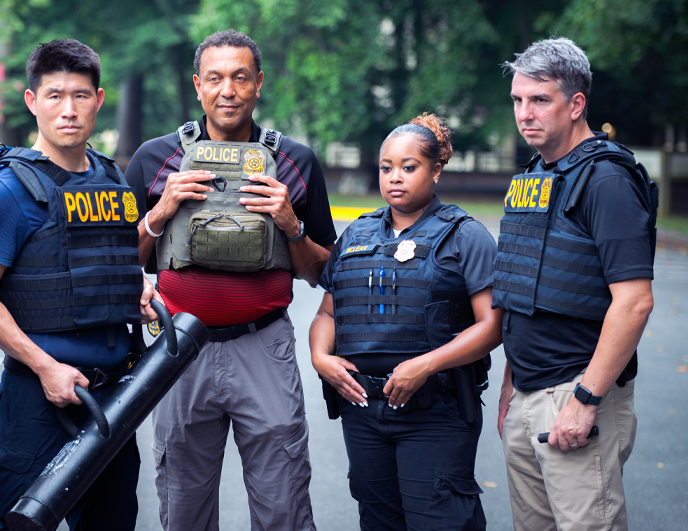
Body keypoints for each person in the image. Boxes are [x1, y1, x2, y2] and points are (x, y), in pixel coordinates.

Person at [125, 29, 336, 531]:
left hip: (262, 343)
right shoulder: (155, 159)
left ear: (258, 84)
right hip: (179, 349)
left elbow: (321, 271)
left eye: (240, 77)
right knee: (183, 504)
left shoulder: (294, 161)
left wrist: (291, 224)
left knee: (282, 501)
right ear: (198, 85)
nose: (228, 90)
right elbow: (119, 263)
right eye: (215, 78)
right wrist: (161, 211)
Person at [0, 39, 160, 531]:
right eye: (54, 96)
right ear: (32, 102)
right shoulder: (10, 189)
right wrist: (45, 367)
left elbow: (106, 266)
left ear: (99, 99)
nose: (68, 110)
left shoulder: (113, 181)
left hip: (111, 399)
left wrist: (133, 290)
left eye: (80, 95)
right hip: (37, 401)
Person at [309, 114, 501, 530]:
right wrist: (320, 357)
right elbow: (328, 312)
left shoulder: (465, 236)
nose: (395, 177)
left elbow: (492, 326)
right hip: (363, 410)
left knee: (440, 520)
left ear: (435, 170)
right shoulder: (357, 233)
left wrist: (426, 364)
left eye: (409, 167)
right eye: (386, 167)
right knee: (378, 521)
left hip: (435, 412)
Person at [495, 38, 656, 531]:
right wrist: (510, 384)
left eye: (540, 100)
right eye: (519, 100)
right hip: (528, 394)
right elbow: (523, 292)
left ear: (576, 104)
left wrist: (585, 401)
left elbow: (634, 303)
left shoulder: (606, 180)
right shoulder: (536, 176)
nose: (526, 113)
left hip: (576, 395)